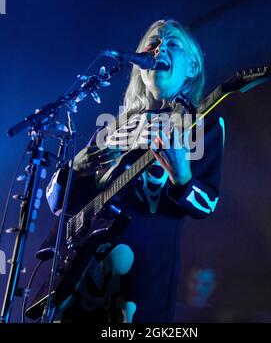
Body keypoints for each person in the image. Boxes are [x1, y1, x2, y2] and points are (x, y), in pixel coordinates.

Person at [45, 19, 225, 323]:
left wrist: (182, 178)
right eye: (153, 43)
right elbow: (58, 205)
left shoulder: (203, 123)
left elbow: (207, 204)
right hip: (81, 276)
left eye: (173, 43)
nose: (159, 49)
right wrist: (74, 167)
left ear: (192, 68)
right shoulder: (114, 127)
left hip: (141, 288)